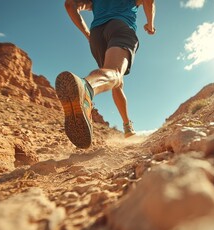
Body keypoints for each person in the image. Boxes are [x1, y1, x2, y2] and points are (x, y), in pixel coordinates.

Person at [56, 0, 156, 149]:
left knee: (115, 80)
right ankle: (86, 88)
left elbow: (70, 5)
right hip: (120, 27)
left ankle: (128, 128)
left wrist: (87, 34)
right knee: (114, 72)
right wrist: (150, 24)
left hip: (97, 35)